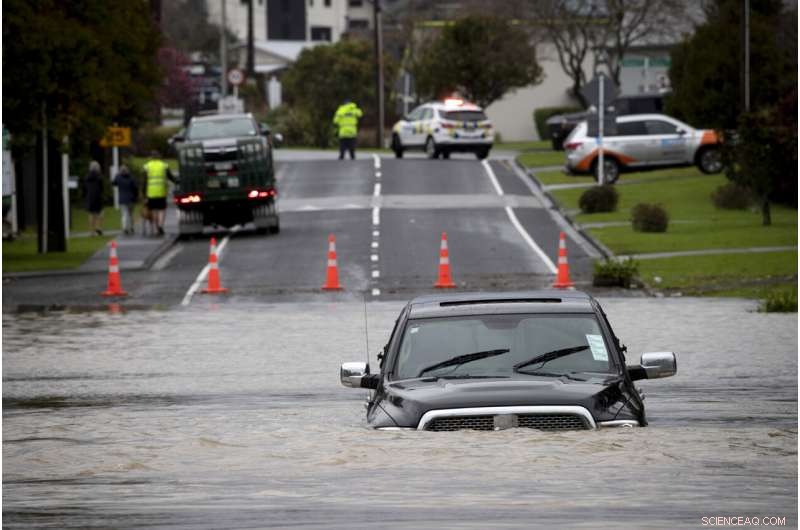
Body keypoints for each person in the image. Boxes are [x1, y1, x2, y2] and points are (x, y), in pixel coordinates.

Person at [142, 150, 175, 236]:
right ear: (159, 156)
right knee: (162, 210)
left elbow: (144, 182)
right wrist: (177, 181)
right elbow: (170, 177)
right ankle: (161, 225)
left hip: (151, 192)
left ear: (151, 157)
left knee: (154, 210)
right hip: (161, 192)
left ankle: (157, 229)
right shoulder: (164, 165)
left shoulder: (147, 166)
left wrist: (144, 194)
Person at [112, 165, 138, 236]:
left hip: (122, 199)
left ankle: (125, 228)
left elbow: (113, 183)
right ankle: (131, 227)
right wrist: (136, 197)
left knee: (124, 214)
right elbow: (135, 188)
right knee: (131, 214)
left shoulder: (118, 177)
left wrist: (117, 175)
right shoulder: (131, 178)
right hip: (131, 198)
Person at [85, 160, 104, 236]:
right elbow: (101, 188)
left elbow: (85, 187)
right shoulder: (99, 177)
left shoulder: (87, 177)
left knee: (91, 214)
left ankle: (92, 232)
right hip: (98, 196)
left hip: (90, 196)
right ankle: (98, 227)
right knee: (100, 213)